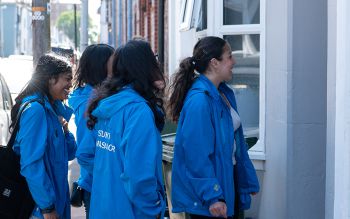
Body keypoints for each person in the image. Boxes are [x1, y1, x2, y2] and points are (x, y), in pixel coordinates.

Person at [168, 36, 259, 219]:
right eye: (229, 56)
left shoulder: (223, 93)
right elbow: (196, 156)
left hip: (225, 184)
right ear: (214, 63)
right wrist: (212, 196)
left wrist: (245, 181)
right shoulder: (200, 101)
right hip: (210, 198)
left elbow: (235, 145)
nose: (234, 61)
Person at [77, 40, 166, 219]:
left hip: (103, 207)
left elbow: (85, 154)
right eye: (154, 59)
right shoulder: (138, 111)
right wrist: (154, 209)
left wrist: (111, 176)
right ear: (146, 66)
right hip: (132, 210)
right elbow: (138, 175)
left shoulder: (106, 103)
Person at [11, 54, 77, 219]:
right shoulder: (36, 110)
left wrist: (66, 131)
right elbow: (31, 164)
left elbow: (70, 153)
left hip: (57, 202)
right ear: (51, 79)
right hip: (40, 209)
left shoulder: (54, 110)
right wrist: (47, 207)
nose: (71, 84)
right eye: (67, 79)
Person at [68, 44, 114, 218]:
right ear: (101, 67)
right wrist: (110, 176)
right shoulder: (91, 102)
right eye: (113, 62)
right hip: (98, 187)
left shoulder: (100, 97)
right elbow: (86, 153)